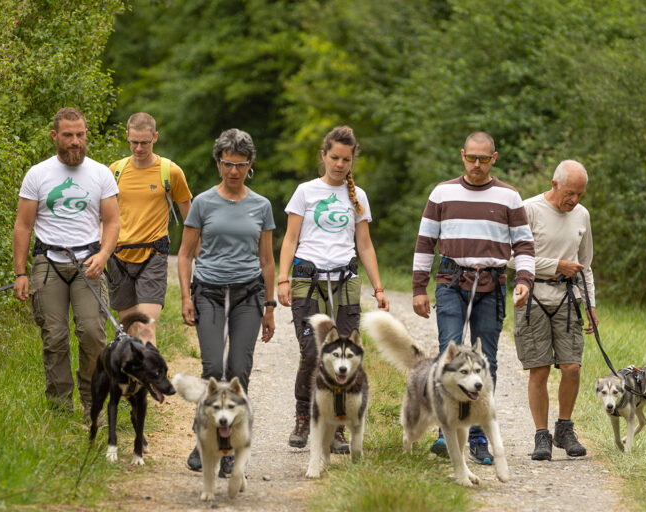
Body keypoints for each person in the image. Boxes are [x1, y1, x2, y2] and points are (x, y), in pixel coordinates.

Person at [411, 131, 534, 465]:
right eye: (471, 158)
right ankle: (445, 429)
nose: (476, 165)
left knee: (486, 361)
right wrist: (419, 288)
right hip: (452, 281)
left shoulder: (510, 197)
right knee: (449, 354)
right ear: (462, 155)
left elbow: (523, 244)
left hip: (492, 285)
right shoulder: (442, 192)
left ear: (494, 159)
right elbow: (425, 241)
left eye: (484, 159)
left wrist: (524, 279)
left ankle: (478, 437)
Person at [277, 125, 389, 453]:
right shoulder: (305, 191)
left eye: (346, 159)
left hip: (345, 281)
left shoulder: (359, 196)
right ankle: (303, 416)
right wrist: (283, 279)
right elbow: (291, 239)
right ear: (323, 156)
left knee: (344, 355)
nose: (340, 164)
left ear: (353, 161)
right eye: (335, 157)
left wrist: (379, 288)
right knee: (313, 353)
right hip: (308, 280)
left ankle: (338, 425)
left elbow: (365, 245)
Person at [177, 128, 276, 473]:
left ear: (250, 165)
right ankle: (203, 439)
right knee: (213, 371)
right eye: (227, 163)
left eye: (241, 164)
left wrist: (271, 307)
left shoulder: (261, 205)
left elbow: (267, 260)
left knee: (237, 371)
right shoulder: (203, 203)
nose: (234, 171)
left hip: (248, 293)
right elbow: (185, 254)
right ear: (218, 163)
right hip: (209, 292)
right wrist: (186, 296)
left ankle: (229, 448)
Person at [12, 107, 120, 417]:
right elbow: (23, 225)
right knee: (54, 336)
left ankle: (92, 402)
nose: (75, 141)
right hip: (48, 262)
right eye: (68, 135)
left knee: (92, 333)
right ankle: (59, 408)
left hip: (89, 262)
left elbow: (112, 222)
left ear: (86, 135)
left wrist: (103, 255)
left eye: (80, 135)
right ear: (55, 136)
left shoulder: (100, 173)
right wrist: (21, 273)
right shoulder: (38, 174)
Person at [514, 160, 598, 460]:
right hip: (532, 294)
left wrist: (590, 304)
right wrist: (554, 265)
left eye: (579, 194)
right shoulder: (529, 210)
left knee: (571, 366)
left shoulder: (582, 215)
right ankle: (541, 435)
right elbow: (511, 258)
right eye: (569, 193)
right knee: (538, 369)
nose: (573, 200)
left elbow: (585, 263)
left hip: (569, 297)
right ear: (554, 184)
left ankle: (564, 428)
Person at [105, 113, 193, 344]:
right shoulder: (114, 171)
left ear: (155, 137)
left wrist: (197, 256)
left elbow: (191, 221)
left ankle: (151, 380)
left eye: (145, 142)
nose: (139, 148)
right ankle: (133, 379)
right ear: (127, 137)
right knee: (129, 331)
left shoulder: (170, 172)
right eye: (134, 142)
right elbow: (102, 215)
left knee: (145, 327)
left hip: (153, 256)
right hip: (118, 257)